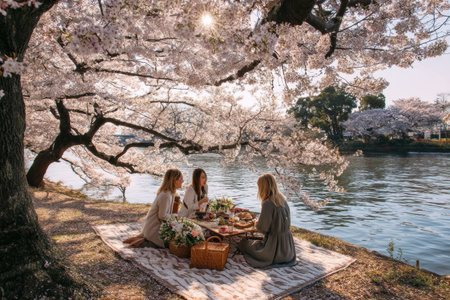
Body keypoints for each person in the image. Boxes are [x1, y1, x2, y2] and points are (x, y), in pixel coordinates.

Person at [238, 173, 296, 268]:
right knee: (250, 243)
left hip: (274, 250)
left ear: (263, 187)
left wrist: (256, 222)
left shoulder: (267, 203)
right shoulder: (283, 200)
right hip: (288, 250)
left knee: (243, 243)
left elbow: (262, 229)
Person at [123, 168, 183, 248]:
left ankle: (141, 237)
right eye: (181, 179)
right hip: (155, 228)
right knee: (170, 245)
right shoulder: (166, 195)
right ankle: (141, 241)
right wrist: (175, 217)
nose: (182, 181)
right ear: (175, 180)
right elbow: (162, 216)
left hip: (156, 225)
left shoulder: (170, 193)